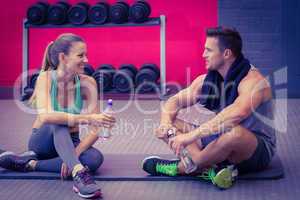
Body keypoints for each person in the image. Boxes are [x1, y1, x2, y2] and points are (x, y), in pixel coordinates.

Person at [142, 27, 276, 188]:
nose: (203, 55)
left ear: (226, 54)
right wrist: (165, 124)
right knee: (171, 124)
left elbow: (236, 114)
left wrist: (189, 136)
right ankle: (210, 169)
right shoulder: (207, 80)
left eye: (208, 50)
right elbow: (174, 101)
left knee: (234, 132)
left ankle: (184, 168)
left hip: (254, 150)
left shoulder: (253, 82)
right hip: (219, 141)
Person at [0, 33, 116, 198]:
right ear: (63, 57)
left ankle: (31, 164)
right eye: (81, 55)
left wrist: (74, 154)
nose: (86, 60)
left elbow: (95, 128)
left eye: (86, 55)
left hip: (70, 141)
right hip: (43, 141)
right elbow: (47, 117)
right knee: (58, 120)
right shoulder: (45, 78)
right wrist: (89, 118)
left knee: (95, 159)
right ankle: (79, 174)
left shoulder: (88, 83)